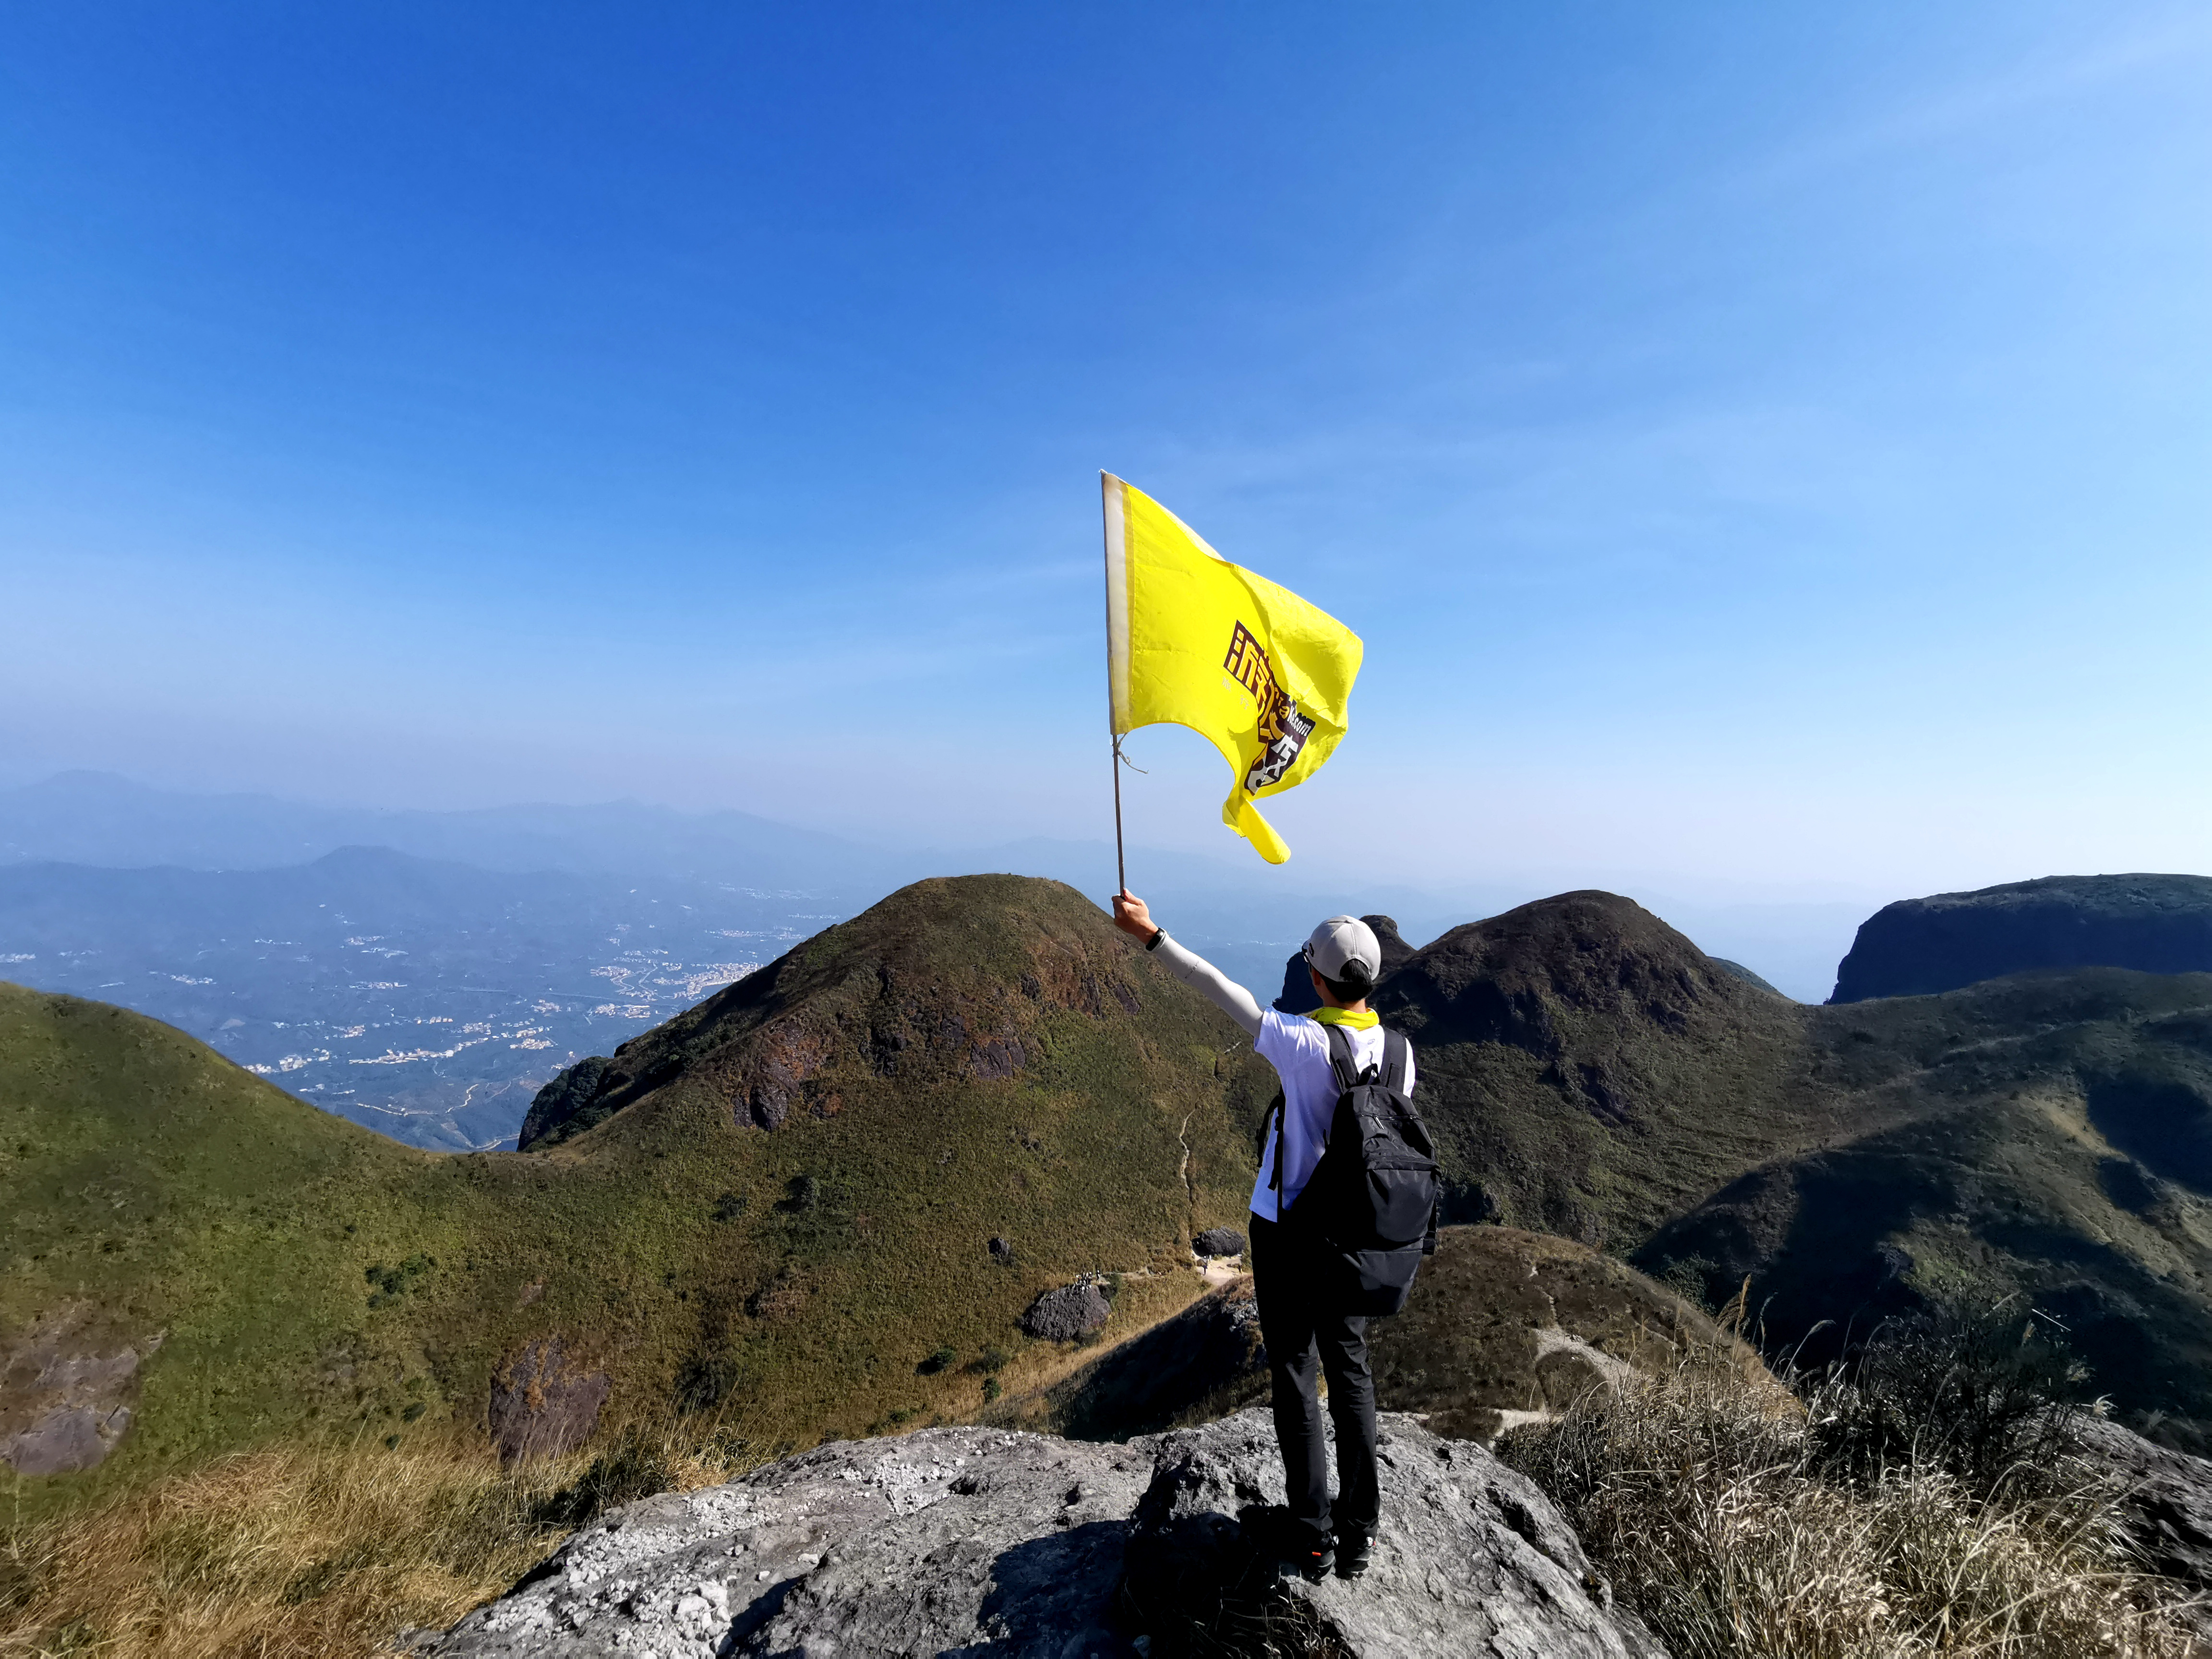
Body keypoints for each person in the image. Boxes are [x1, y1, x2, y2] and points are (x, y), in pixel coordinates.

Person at [1111, 890, 1415, 1582]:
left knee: (1296, 1372)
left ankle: (1311, 1533)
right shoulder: (1402, 1053)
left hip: (1290, 1234)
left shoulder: (1304, 1044)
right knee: (1351, 1371)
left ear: (1316, 978)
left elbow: (1222, 990)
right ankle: (1359, 1532)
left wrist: (1150, 934)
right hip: (1361, 1238)